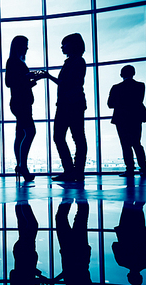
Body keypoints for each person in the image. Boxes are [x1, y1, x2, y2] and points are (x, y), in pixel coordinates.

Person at [44, 33, 87, 182]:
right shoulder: (72, 62)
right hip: (69, 104)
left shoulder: (77, 62)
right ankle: (74, 171)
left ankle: (73, 171)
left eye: (64, 44)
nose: (62, 47)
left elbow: (67, 83)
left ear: (73, 45)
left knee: (72, 138)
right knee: (73, 138)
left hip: (71, 104)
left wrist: (48, 76)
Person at [5, 36, 44, 182]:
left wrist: (32, 79)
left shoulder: (17, 62)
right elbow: (9, 82)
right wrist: (27, 77)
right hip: (21, 103)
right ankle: (23, 166)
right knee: (30, 132)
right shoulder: (14, 62)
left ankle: (21, 165)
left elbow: (17, 83)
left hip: (21, 102)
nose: (27, 48)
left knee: (20, 134)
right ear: (18, 46)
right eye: (25, 45)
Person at [52, 198, 93, 285]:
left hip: (78, 251)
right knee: (63, 218)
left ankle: (76, 196)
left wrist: (55, 280)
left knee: (80, 219)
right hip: (71, 251)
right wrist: (54, 280)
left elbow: (71, 272)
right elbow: (71, 271)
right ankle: (70, 196)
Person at [107, 65, 146, 178]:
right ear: (133, 73)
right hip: (136, 117)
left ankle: (130, 169)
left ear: (121, 74)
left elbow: (110, 104)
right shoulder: (140, 86)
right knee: (137, 143)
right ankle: (143, 167)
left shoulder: (116, 88)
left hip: (121, 118)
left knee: (125, 145)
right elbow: (138, 101)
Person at [10, 201, 49, 285]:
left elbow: (22, 274)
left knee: (32, 225)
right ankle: (20, 202)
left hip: (25, 253)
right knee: (23, 224)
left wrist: (37, 275)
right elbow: (15, 274)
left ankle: (23, 202)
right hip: (21, 253)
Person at [112, 201, 146, 285]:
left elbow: (144, 247)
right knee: (127, 206)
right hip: (125, 232)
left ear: (140, 276)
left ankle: (141, 190)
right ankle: (130, 188)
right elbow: (115, 245)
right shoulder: (122, 262)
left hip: (139, 233)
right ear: (129, 275)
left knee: (139, 208)